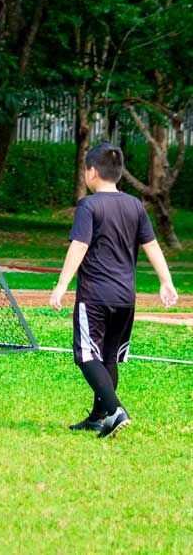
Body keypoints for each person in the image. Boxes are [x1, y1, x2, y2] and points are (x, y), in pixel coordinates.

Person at [50, 143, 178, 438]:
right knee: (108, 356)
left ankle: (115, 408)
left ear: (91, 172)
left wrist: (61, 285)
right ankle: (99, 417)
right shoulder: (134, 205)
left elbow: (79, 246)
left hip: (95, 296)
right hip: (124, 298)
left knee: (85, 355)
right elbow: (152, 245)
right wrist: (165, 280)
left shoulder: (89, 205)